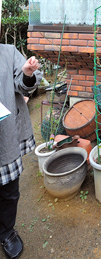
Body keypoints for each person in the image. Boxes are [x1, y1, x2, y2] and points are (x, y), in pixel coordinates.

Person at [0, 42, 42, 259]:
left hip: (4, 134)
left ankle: (6, 232)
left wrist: (27, 73)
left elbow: (25, 84)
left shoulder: (7, 52)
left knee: (9, 191)